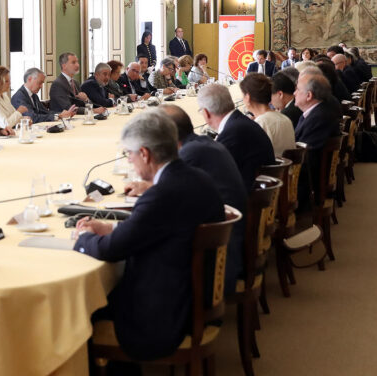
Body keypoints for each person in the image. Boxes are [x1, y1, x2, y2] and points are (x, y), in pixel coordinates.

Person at [73, 110, 224, 362]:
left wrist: (83, 238)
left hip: (165, 313)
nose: (130, 161)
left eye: (129, 155)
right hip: (197, 296)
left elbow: (111, 250)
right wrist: (108, 228)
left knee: (83, 313)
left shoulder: (162, 194)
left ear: (144, 153)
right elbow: (154, 228)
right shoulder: (197, 177)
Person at [157, 104, 247, 298]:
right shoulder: (201, 144)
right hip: (231, 242)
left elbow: (164, 199)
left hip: (218, 261)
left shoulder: (189, 154)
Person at [198, 83, 275, 191]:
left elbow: (216, 174)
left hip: (251, 199)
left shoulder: (232, 132)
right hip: (260, 191)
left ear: (206, 113)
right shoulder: (239, 123)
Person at [293, 72, 342, 211]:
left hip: (307, 185)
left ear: (309, 95)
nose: (294, 93)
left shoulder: (319, 118)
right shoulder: (315, 112)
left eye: (297, 89)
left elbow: (307, 160)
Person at [240, 73, 296, 157]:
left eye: (243, 95)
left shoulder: (261, 123)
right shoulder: (285, 119)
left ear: (247, 97)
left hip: (268, 169)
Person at [11, 68, 76, 123]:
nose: (41, 86)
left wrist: (62, 114)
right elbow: (32, 117)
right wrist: (58, 116)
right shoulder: (19, 97)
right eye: (39, 83)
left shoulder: (34, 95)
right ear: (29, 79)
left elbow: (45, 112)